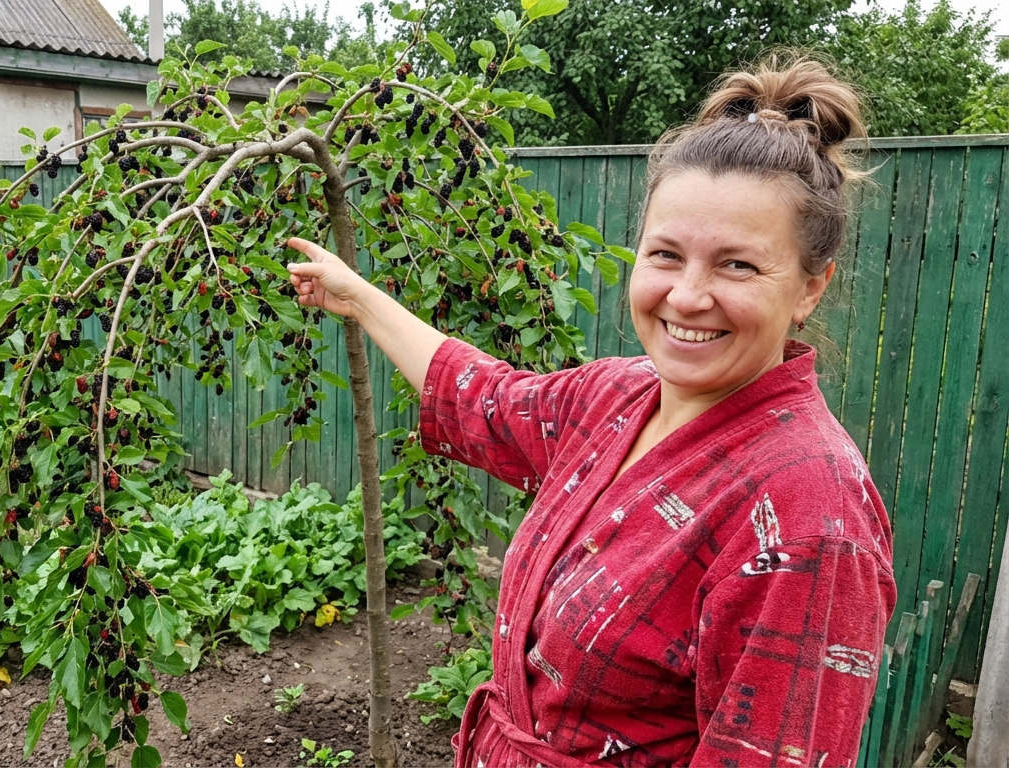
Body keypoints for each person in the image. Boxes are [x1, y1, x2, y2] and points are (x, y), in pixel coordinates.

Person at [284, 56, 895, 767]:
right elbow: (484, 397)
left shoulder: (810, 517)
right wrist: (357, 297)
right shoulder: (619, 397)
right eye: (666, 255)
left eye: (738, 265)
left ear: (810, 288)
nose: (687, 296)